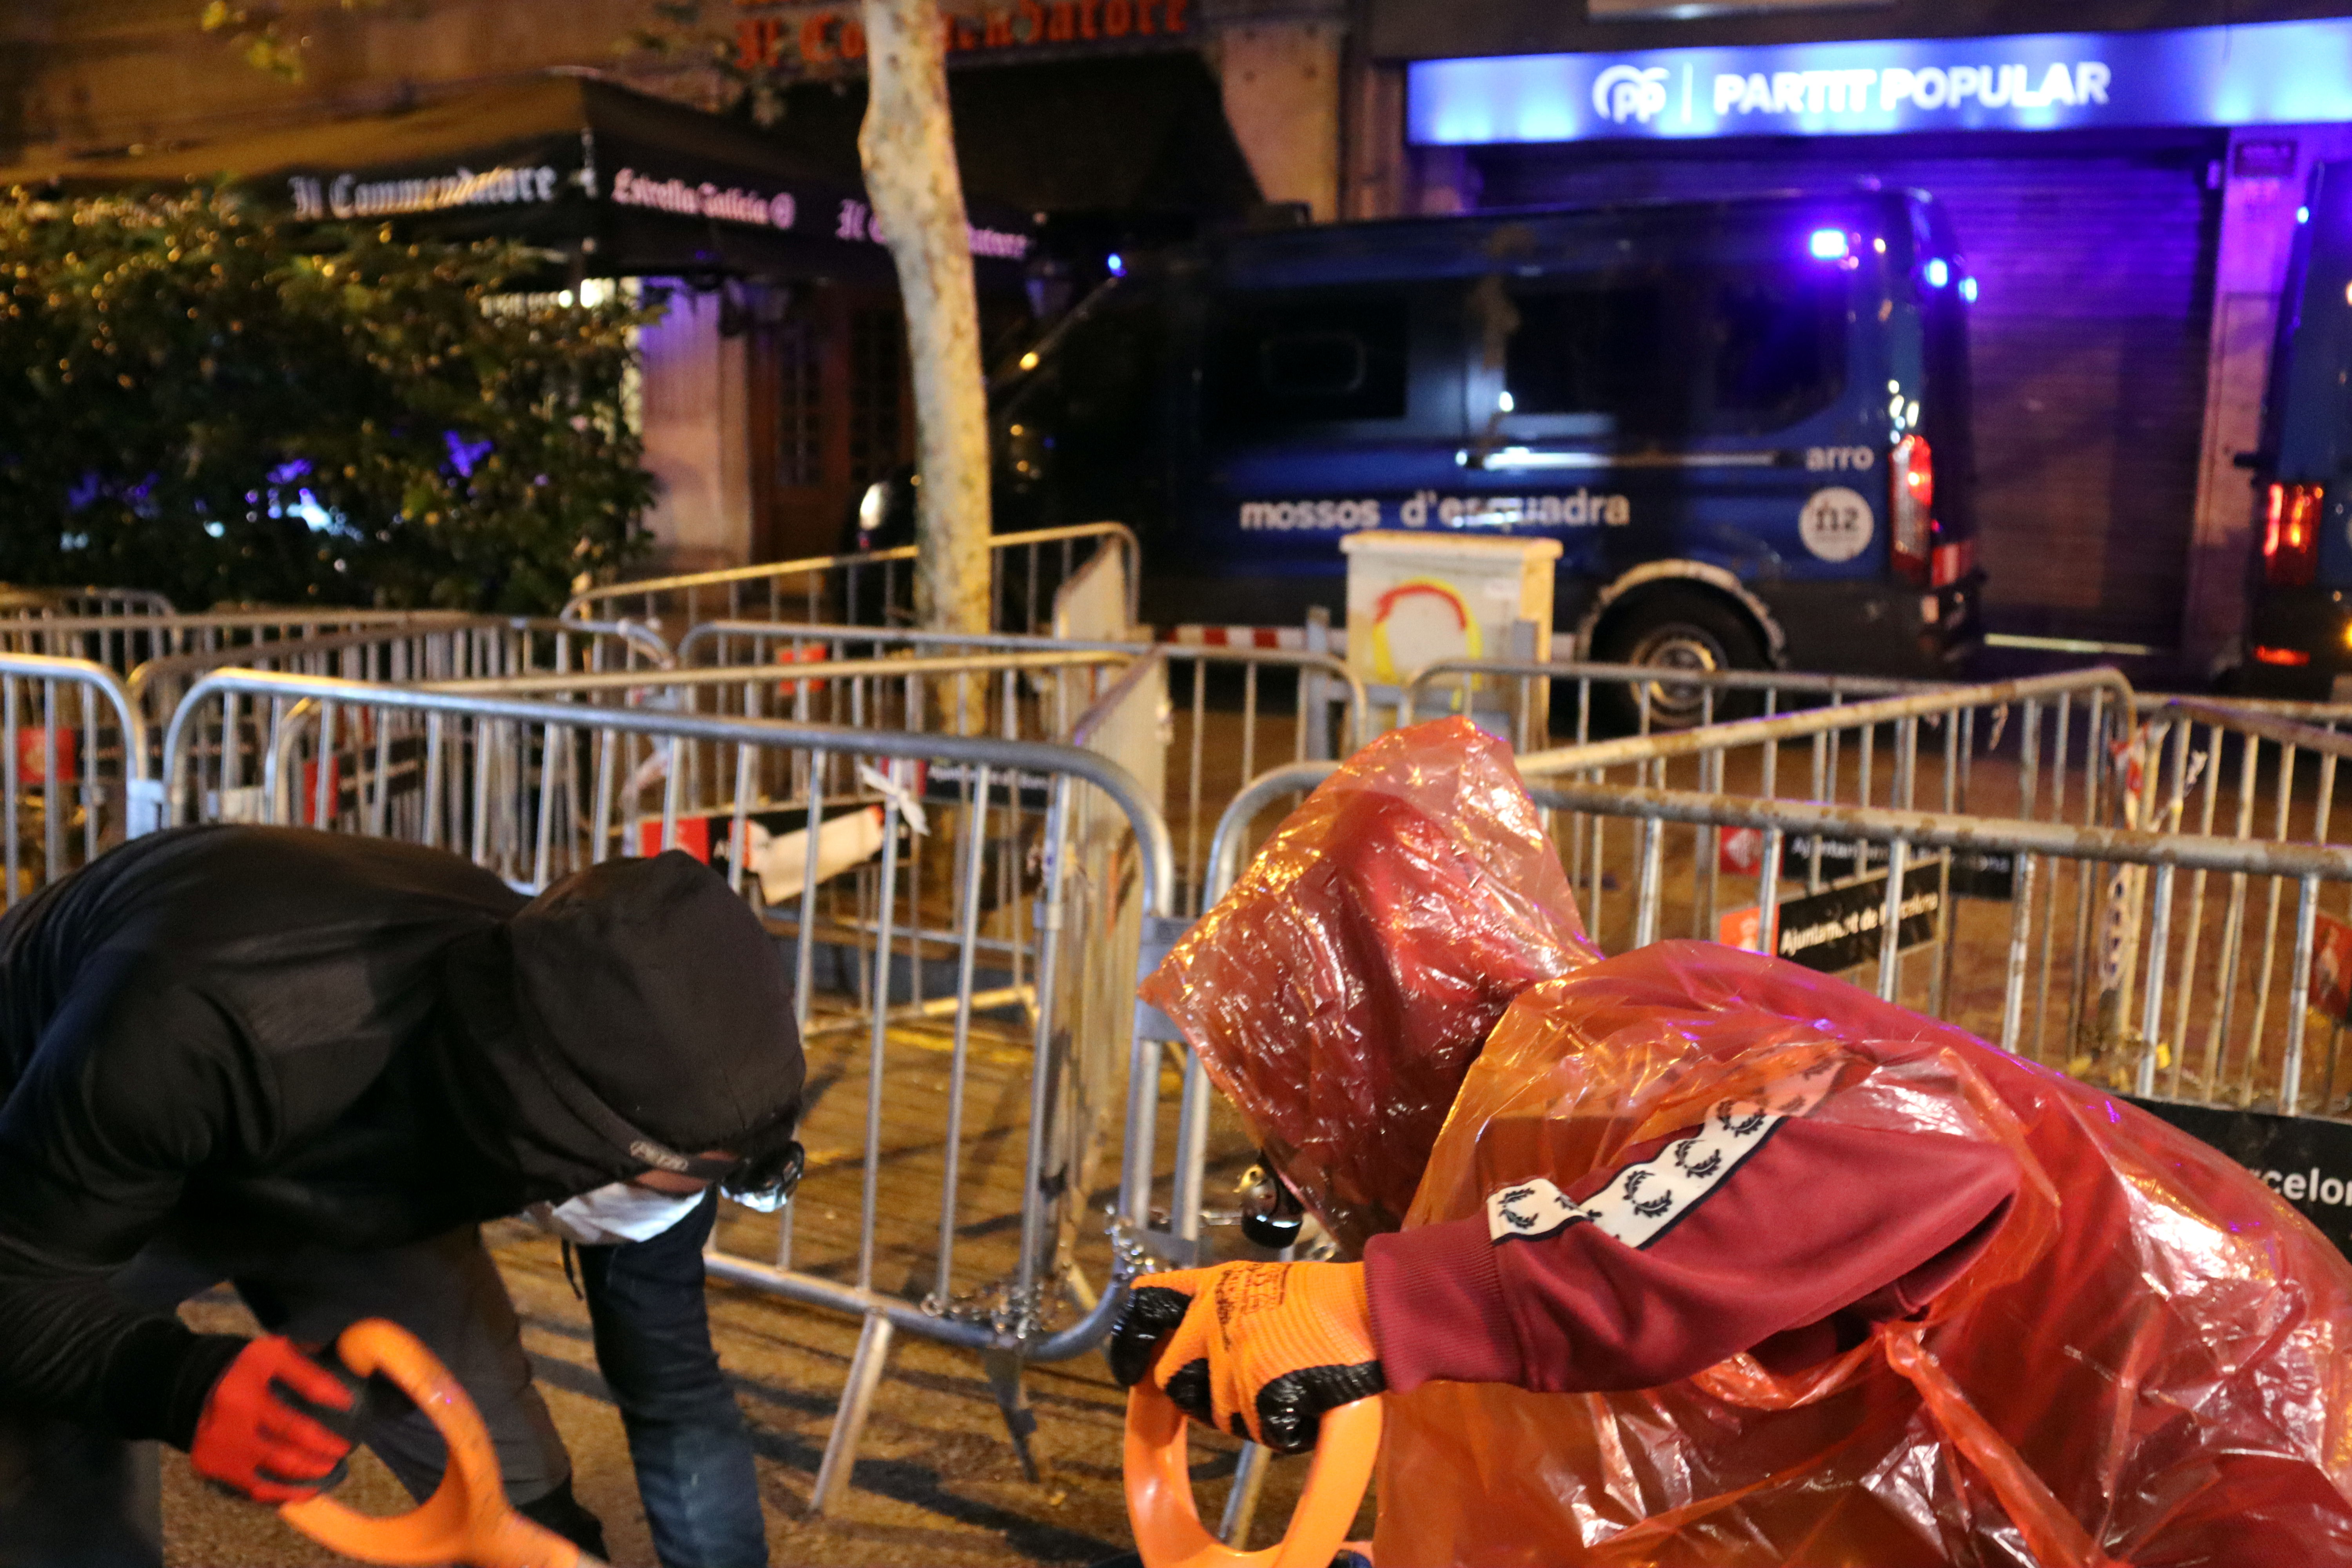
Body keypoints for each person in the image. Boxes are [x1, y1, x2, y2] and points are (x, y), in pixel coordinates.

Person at [0, 826, 805, 1568]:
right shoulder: (193, 1022)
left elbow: (674, 1382)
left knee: (514, 1502)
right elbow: (18, 1275)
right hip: (64, 1159)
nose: (667, 1212)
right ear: (550, 1126)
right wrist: (177, 1381)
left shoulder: (667, 1084)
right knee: (65, 1492)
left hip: (355, 1150)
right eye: (652, 1184)